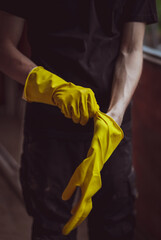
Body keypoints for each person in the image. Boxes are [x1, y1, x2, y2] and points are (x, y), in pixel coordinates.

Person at [0, 0, 158, 240]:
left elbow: (132, 50)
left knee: (115, 226)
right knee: (51, 228)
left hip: (110, 131)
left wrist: (113, 117)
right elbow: (4, 48)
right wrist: (52, 87)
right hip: (49, 128)